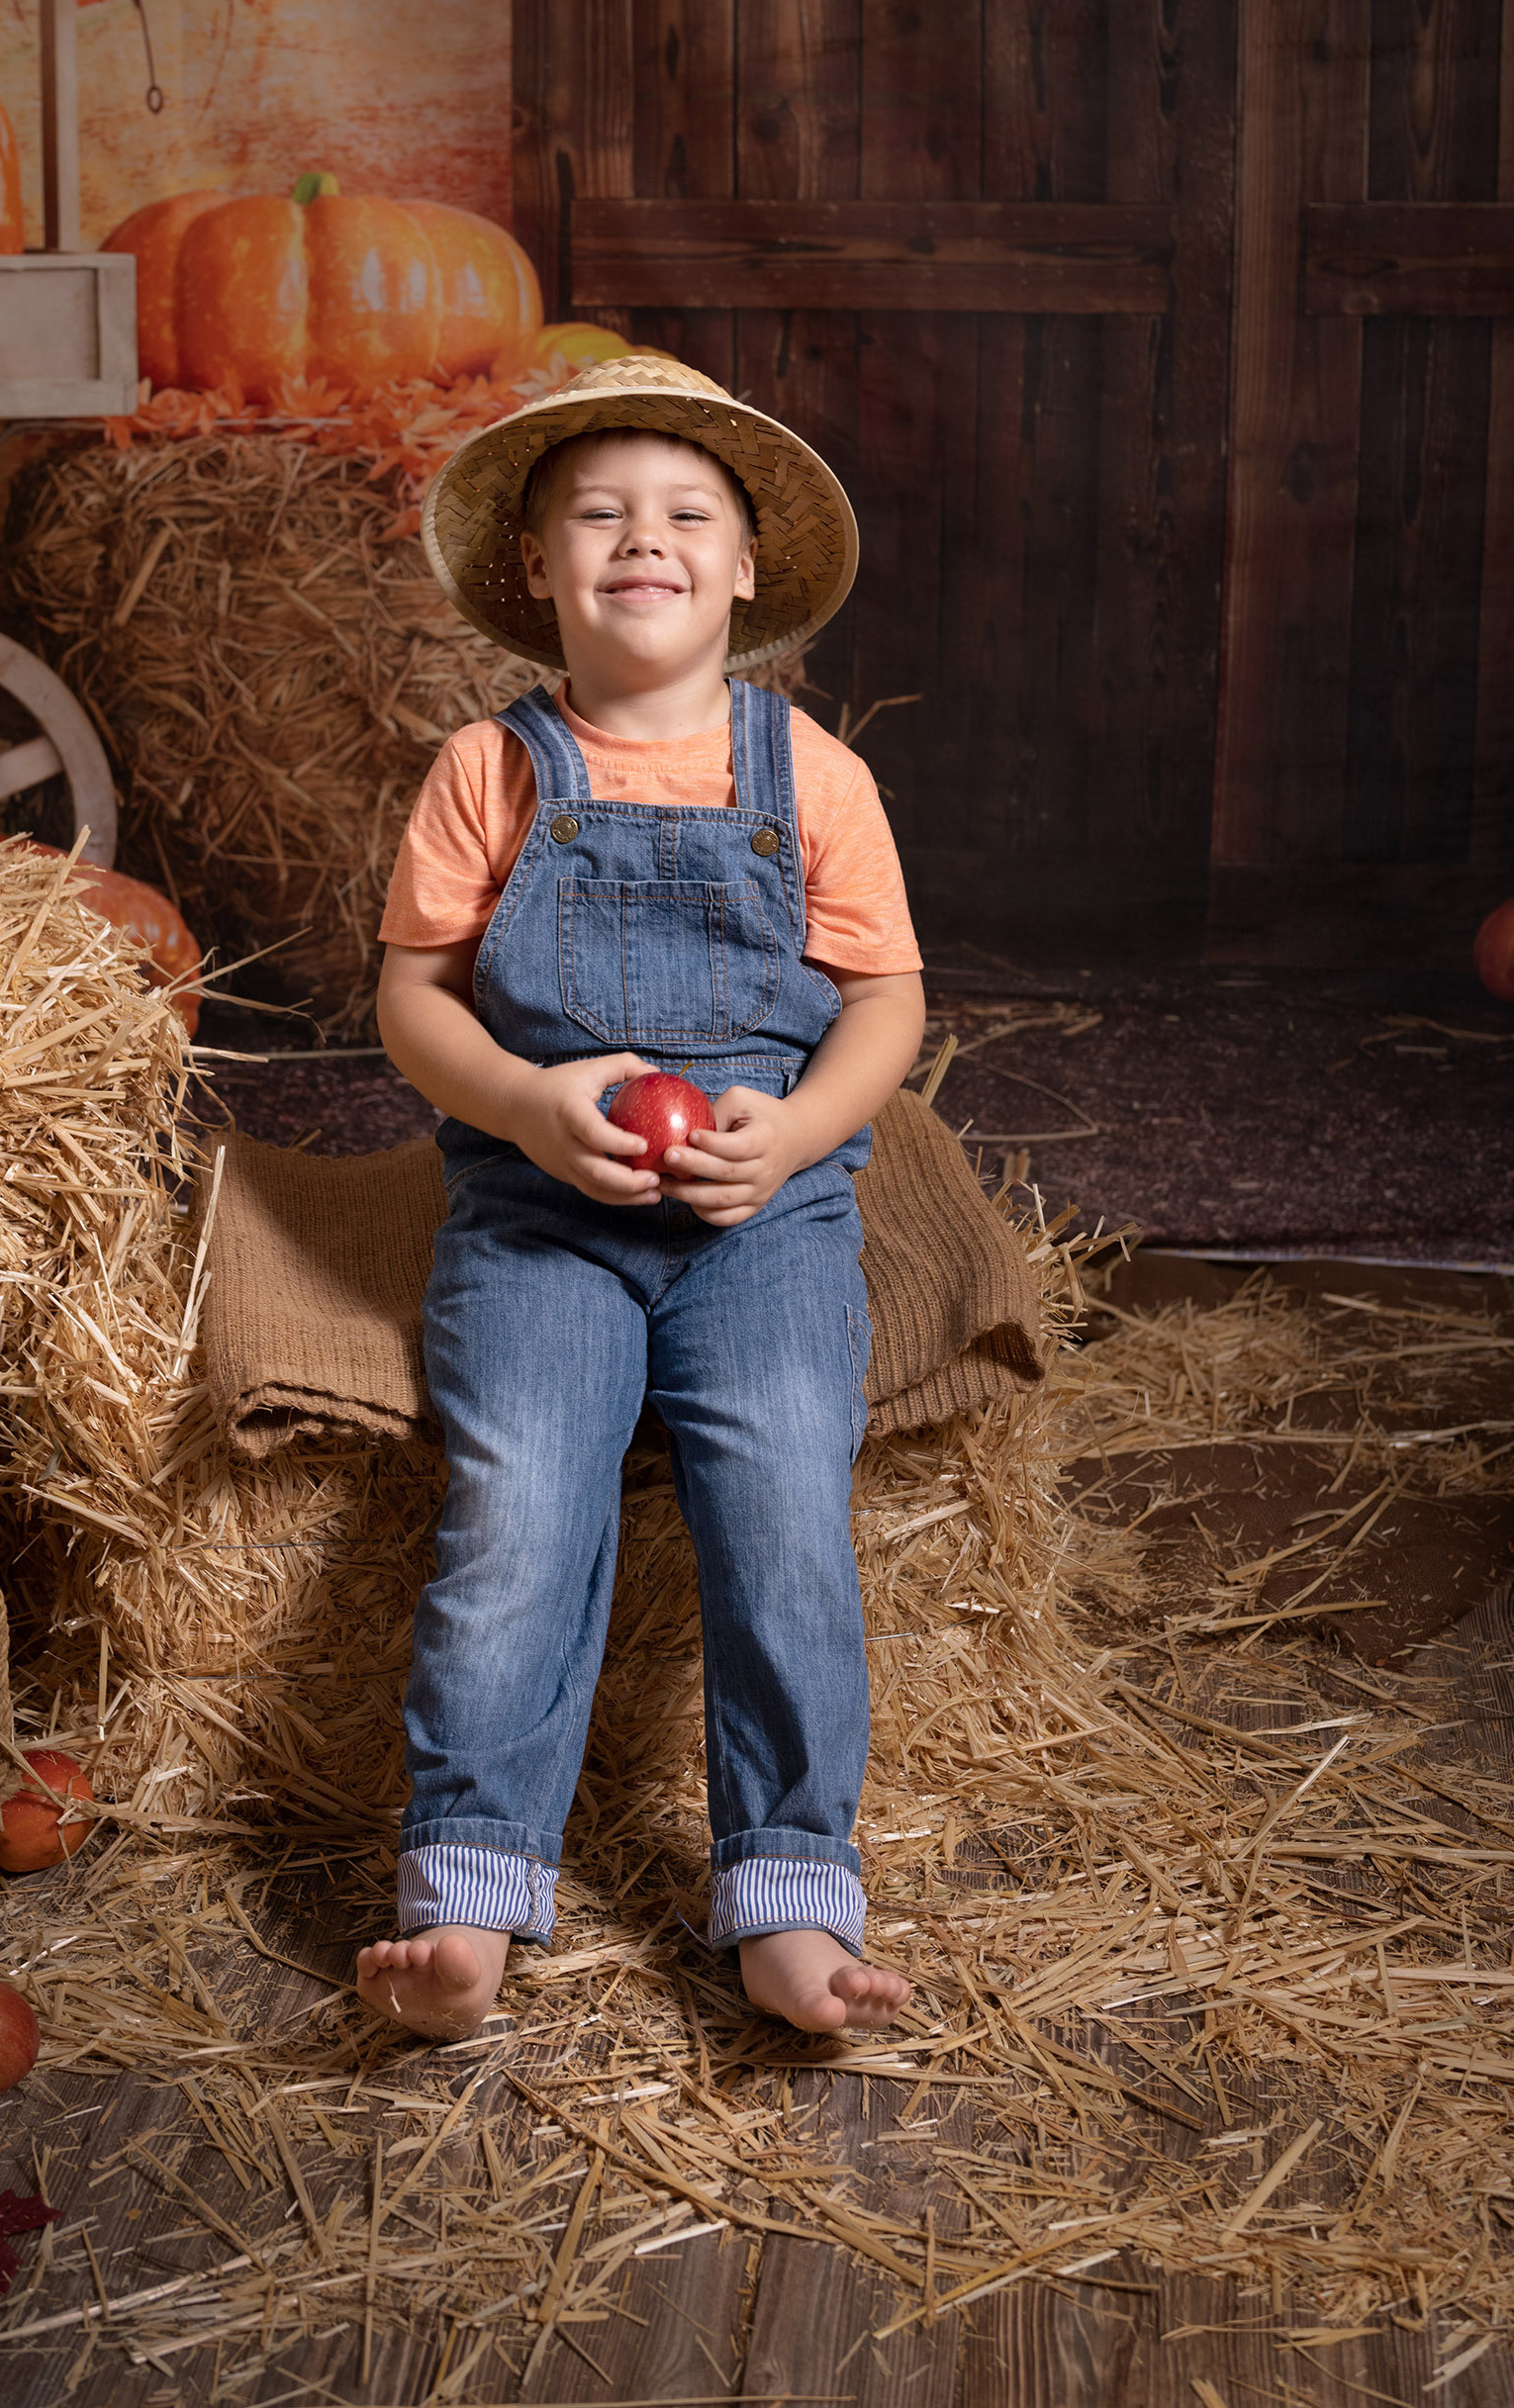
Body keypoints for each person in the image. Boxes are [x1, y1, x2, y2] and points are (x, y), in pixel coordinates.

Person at [357, 352, 925, 2038]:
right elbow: (411, 1000)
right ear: (535, 569)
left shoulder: (812, 772)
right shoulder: (492, 769)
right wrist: (531, 1105)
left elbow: (888, 1005)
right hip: (546, 1218)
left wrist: (803, 1129)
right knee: (525, 1493)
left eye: (687, 513)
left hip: (767, 1224)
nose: (643, 539)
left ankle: (788, 1895)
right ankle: (466, 1897)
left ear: (748, 570)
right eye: (596, 515)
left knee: (781, 1508)